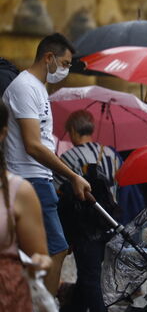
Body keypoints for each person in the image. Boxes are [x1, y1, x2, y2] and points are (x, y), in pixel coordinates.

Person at [2, 32, 91, 294]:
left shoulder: (38, 88)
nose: (65, 70)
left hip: (40, 178)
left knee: (38, 253)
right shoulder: (25, 87)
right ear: (48, 57)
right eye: (64, 64)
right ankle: (44, 304)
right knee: (57, 248)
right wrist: (73, 175)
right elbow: (33, 144)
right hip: (30, 178)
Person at [54, 109, 123, 312]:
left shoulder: (68, 158)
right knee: (93, 274)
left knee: (90, 276)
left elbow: (58, 192)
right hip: (111, 222)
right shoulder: (112, 154)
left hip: (85, 226)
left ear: (74, 130)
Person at [0, 101, 52, 310]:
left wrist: (39, 262)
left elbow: (40, 256)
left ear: (2, 134)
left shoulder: (19, 191)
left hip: (7, 297)